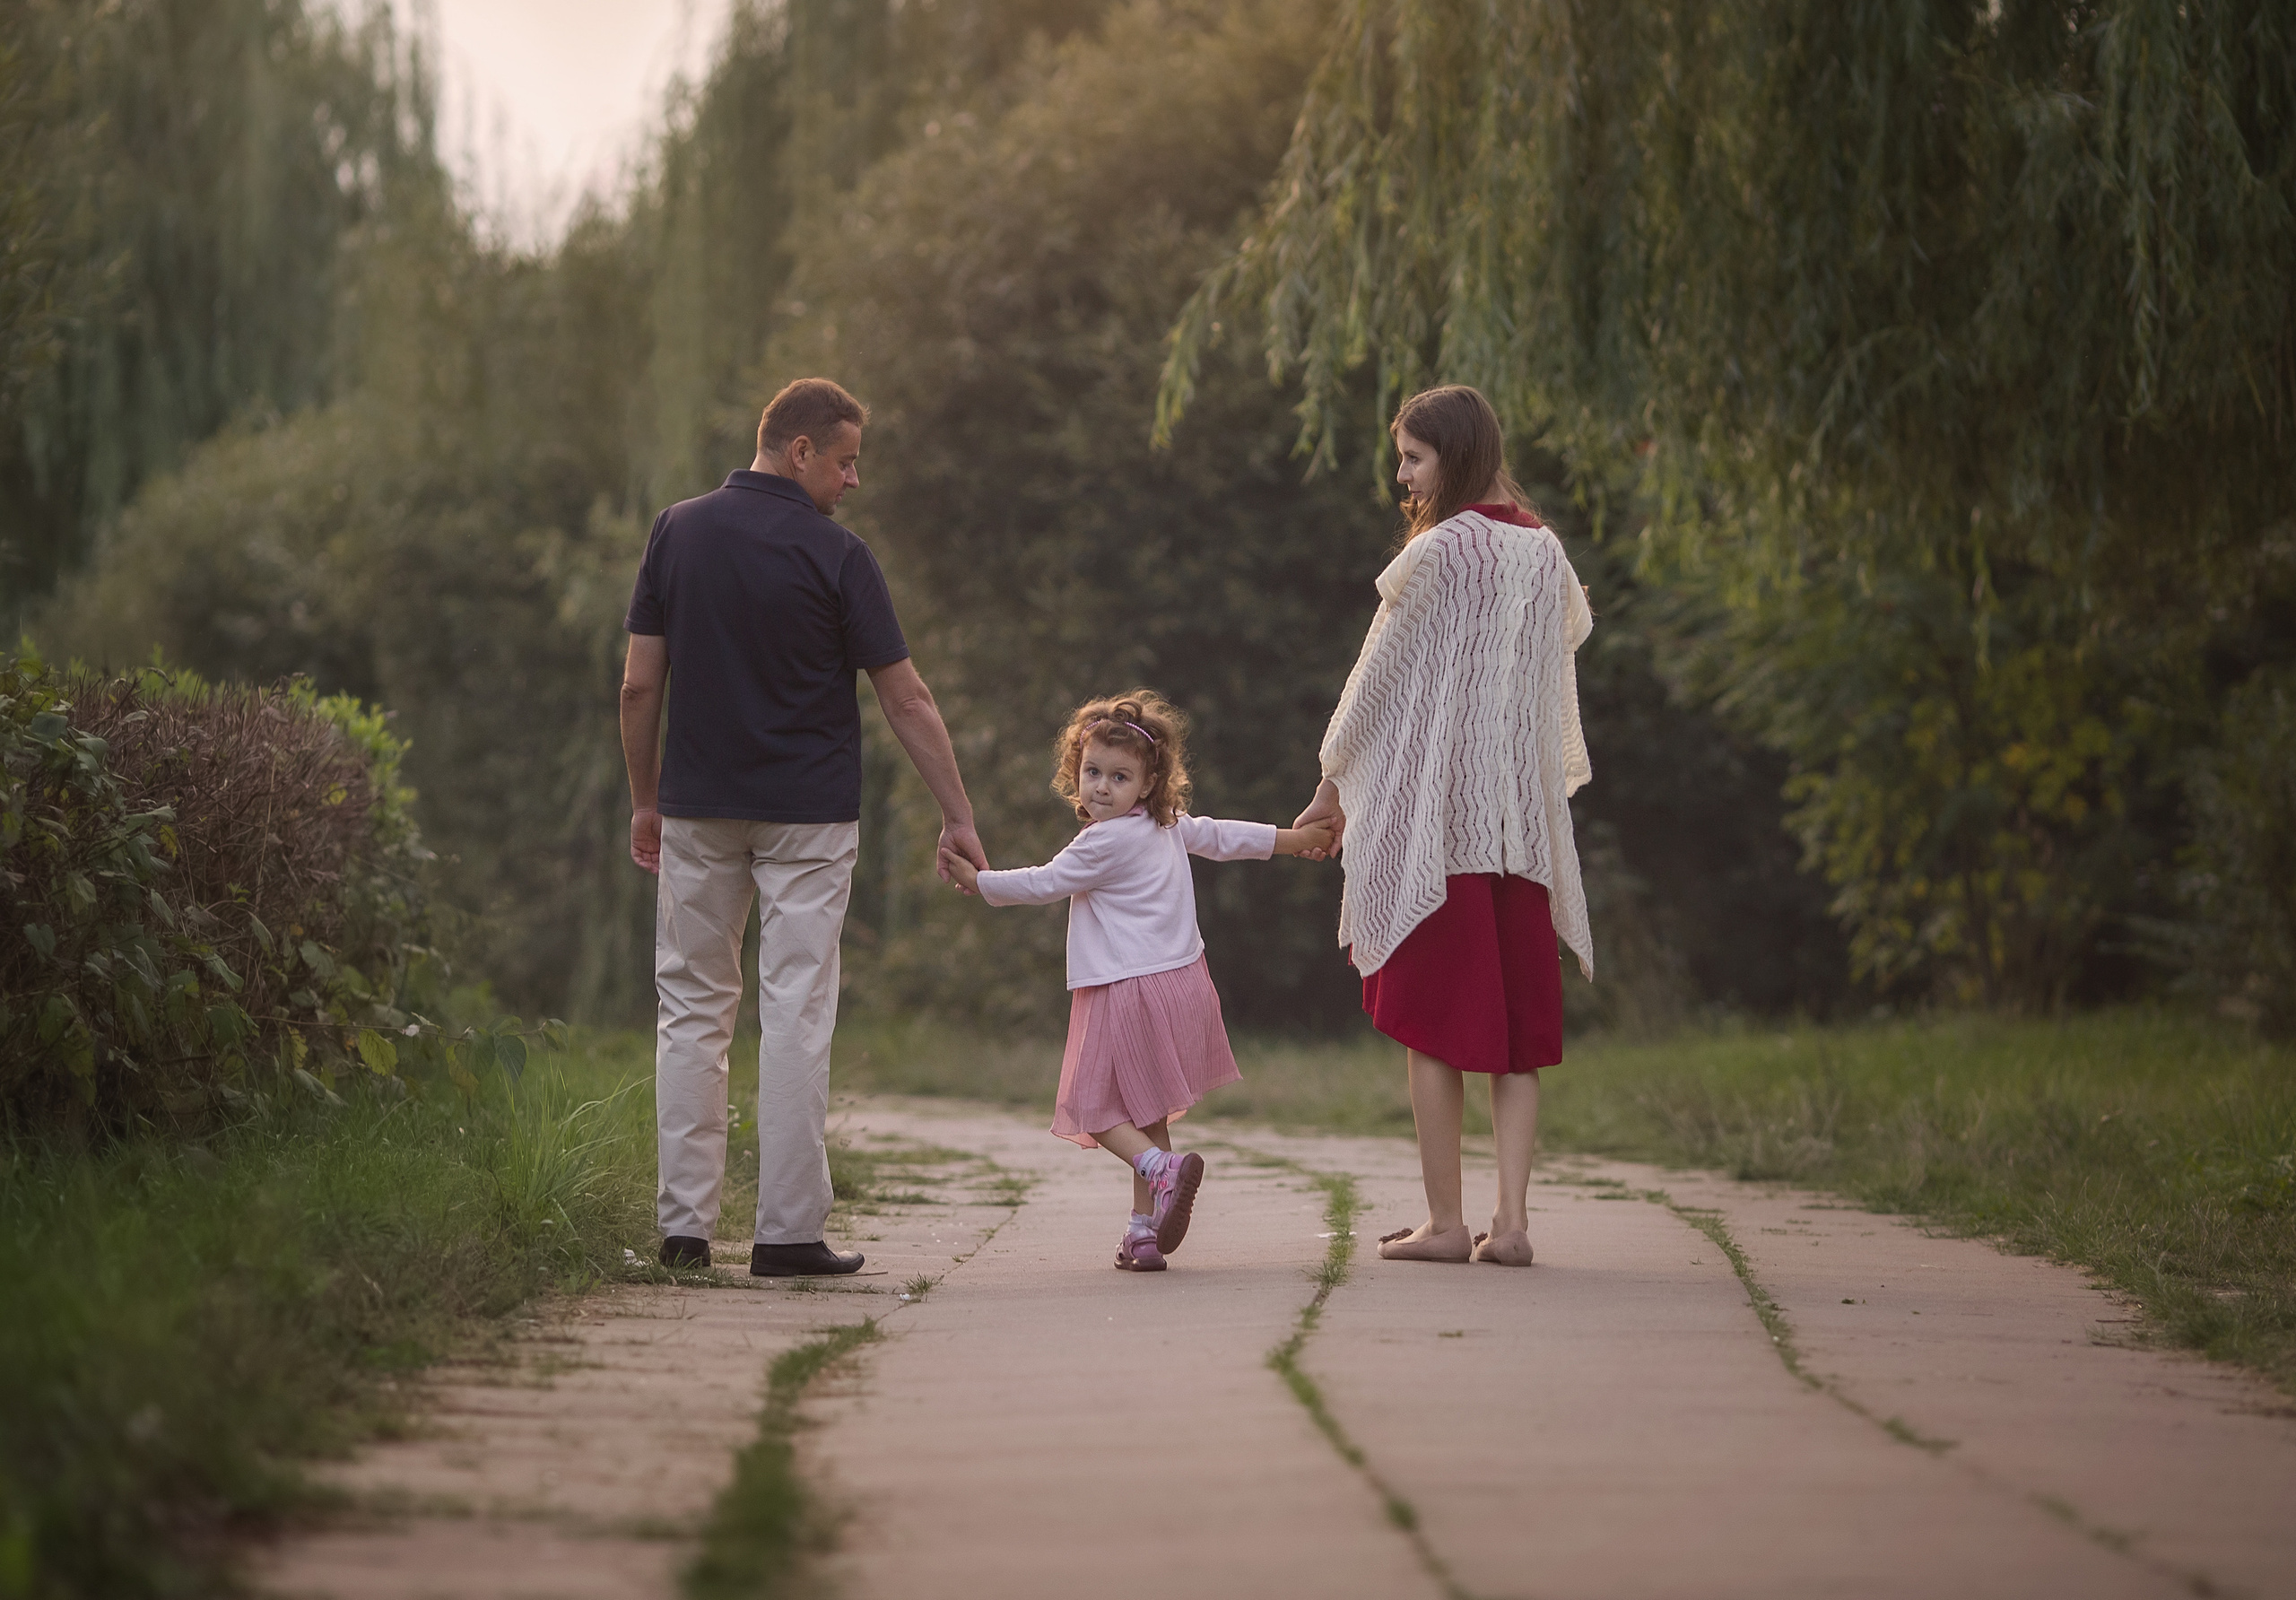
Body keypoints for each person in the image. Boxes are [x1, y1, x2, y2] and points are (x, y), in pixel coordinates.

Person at [620, 377, 987, 1277]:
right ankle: (786, 1234)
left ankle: (684, 1230)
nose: (853, 480)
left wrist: (644, 797)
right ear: (800, 452)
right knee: (794, 1011)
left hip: (699, 808)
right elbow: (906, 696)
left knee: (693, 1011)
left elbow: (637, 685)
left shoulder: (677, 531)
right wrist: (957, 812)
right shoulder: (837, 555)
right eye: (847, 460)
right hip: (810, 819)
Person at [1292, 384, 1594, 1267]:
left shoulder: (1439, 553)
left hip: (1440, 833)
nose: (1402, 474)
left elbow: (1375, 683)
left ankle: (1446, 1222)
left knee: (1431, 1026)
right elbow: (1554, 664)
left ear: (1452, 457)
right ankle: (1511, 1224)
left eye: (1414, 456)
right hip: (1519, 837)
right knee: (1514, 1039)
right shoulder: (1544, 553)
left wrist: (1332, 784)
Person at [939, 691, 1334, 1272]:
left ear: (1148, 784)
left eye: (1119, 777)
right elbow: (1224, 838)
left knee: (1091, 1107)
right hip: (1182, 985)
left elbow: (1045, 882)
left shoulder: (1105, 840)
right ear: (1077, 772)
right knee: (1146, 1115)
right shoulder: (1166, 826)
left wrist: (982, 882)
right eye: (1092, 772)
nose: (1101, 786)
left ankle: (1161, 1170)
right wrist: (1295, 839)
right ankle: (1143, 1233)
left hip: (1126, 990)